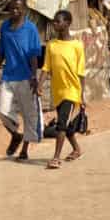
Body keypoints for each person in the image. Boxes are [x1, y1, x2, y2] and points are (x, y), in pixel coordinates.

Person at [0, 0, 43, 161]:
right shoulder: (4, 27)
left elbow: (34, 55)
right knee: (2, 111)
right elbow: (1, 52)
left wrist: (34, 75)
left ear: (24, 10)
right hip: (8, 76)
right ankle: (16, 135)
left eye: (18, 8)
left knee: (28, 115)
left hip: (26, 77)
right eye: (12, 8)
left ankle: (25, 149)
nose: (14, 11)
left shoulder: (30, 29)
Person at [41, 9, 85, 170]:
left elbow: (81, 72)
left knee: (61, 124)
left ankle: (56, 158)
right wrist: (39, 86)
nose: (55, 24)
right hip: (57, 91)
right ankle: (77, 149)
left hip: (72, 91)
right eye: (54, 21)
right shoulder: (51, 45)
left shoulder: (77, 45)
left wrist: (82, 94)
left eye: (58, 21)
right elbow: (46, 68)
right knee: (66, 125)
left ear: (67, 23)